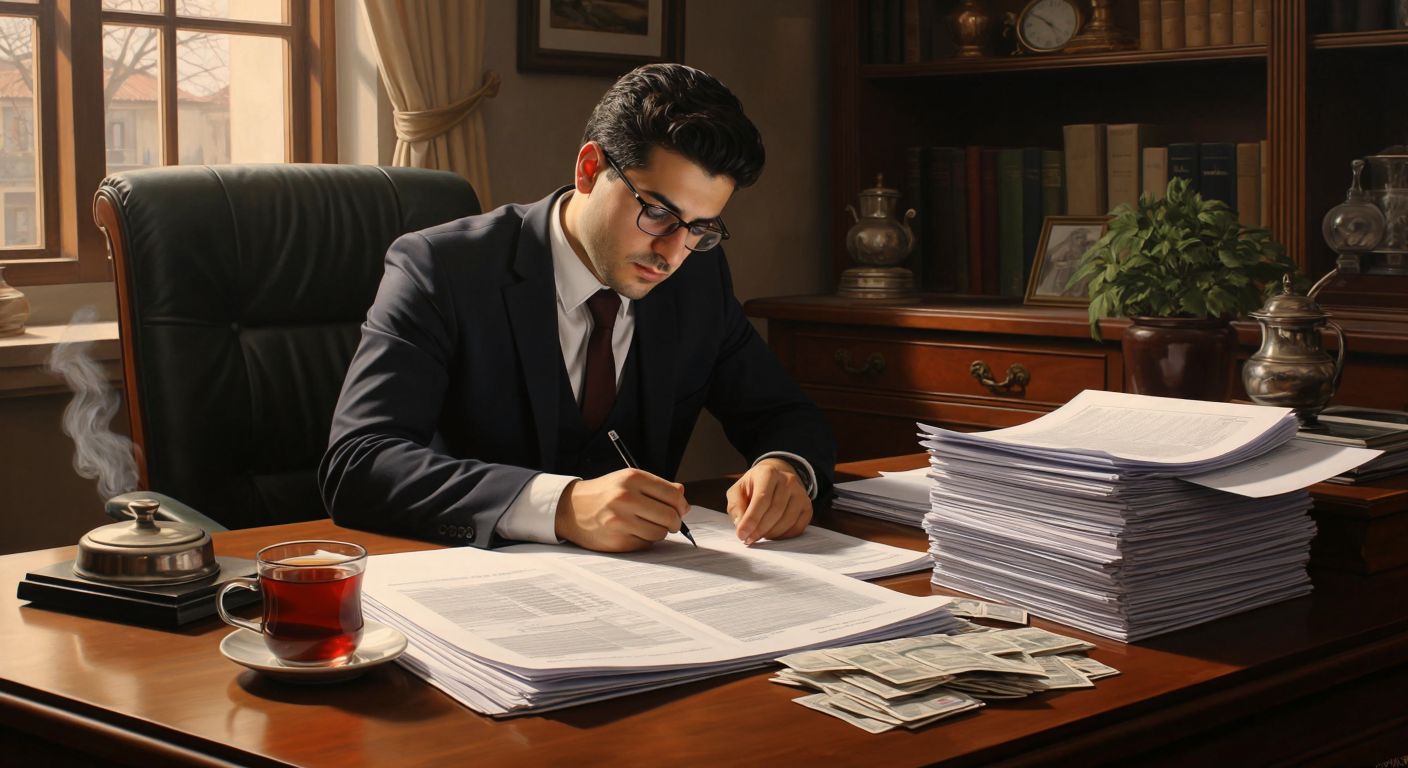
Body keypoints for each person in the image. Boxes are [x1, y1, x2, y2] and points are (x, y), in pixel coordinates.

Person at [319, 64, 835, 553]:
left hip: (653, 596)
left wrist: (786, 467)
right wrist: (559, 505)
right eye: (658, 212)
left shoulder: (698, 277)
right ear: (590, 169)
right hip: (472, 591)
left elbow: (783, 413)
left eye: (701, 227)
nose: (673, 253)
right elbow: (360, 463)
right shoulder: (440, 268)